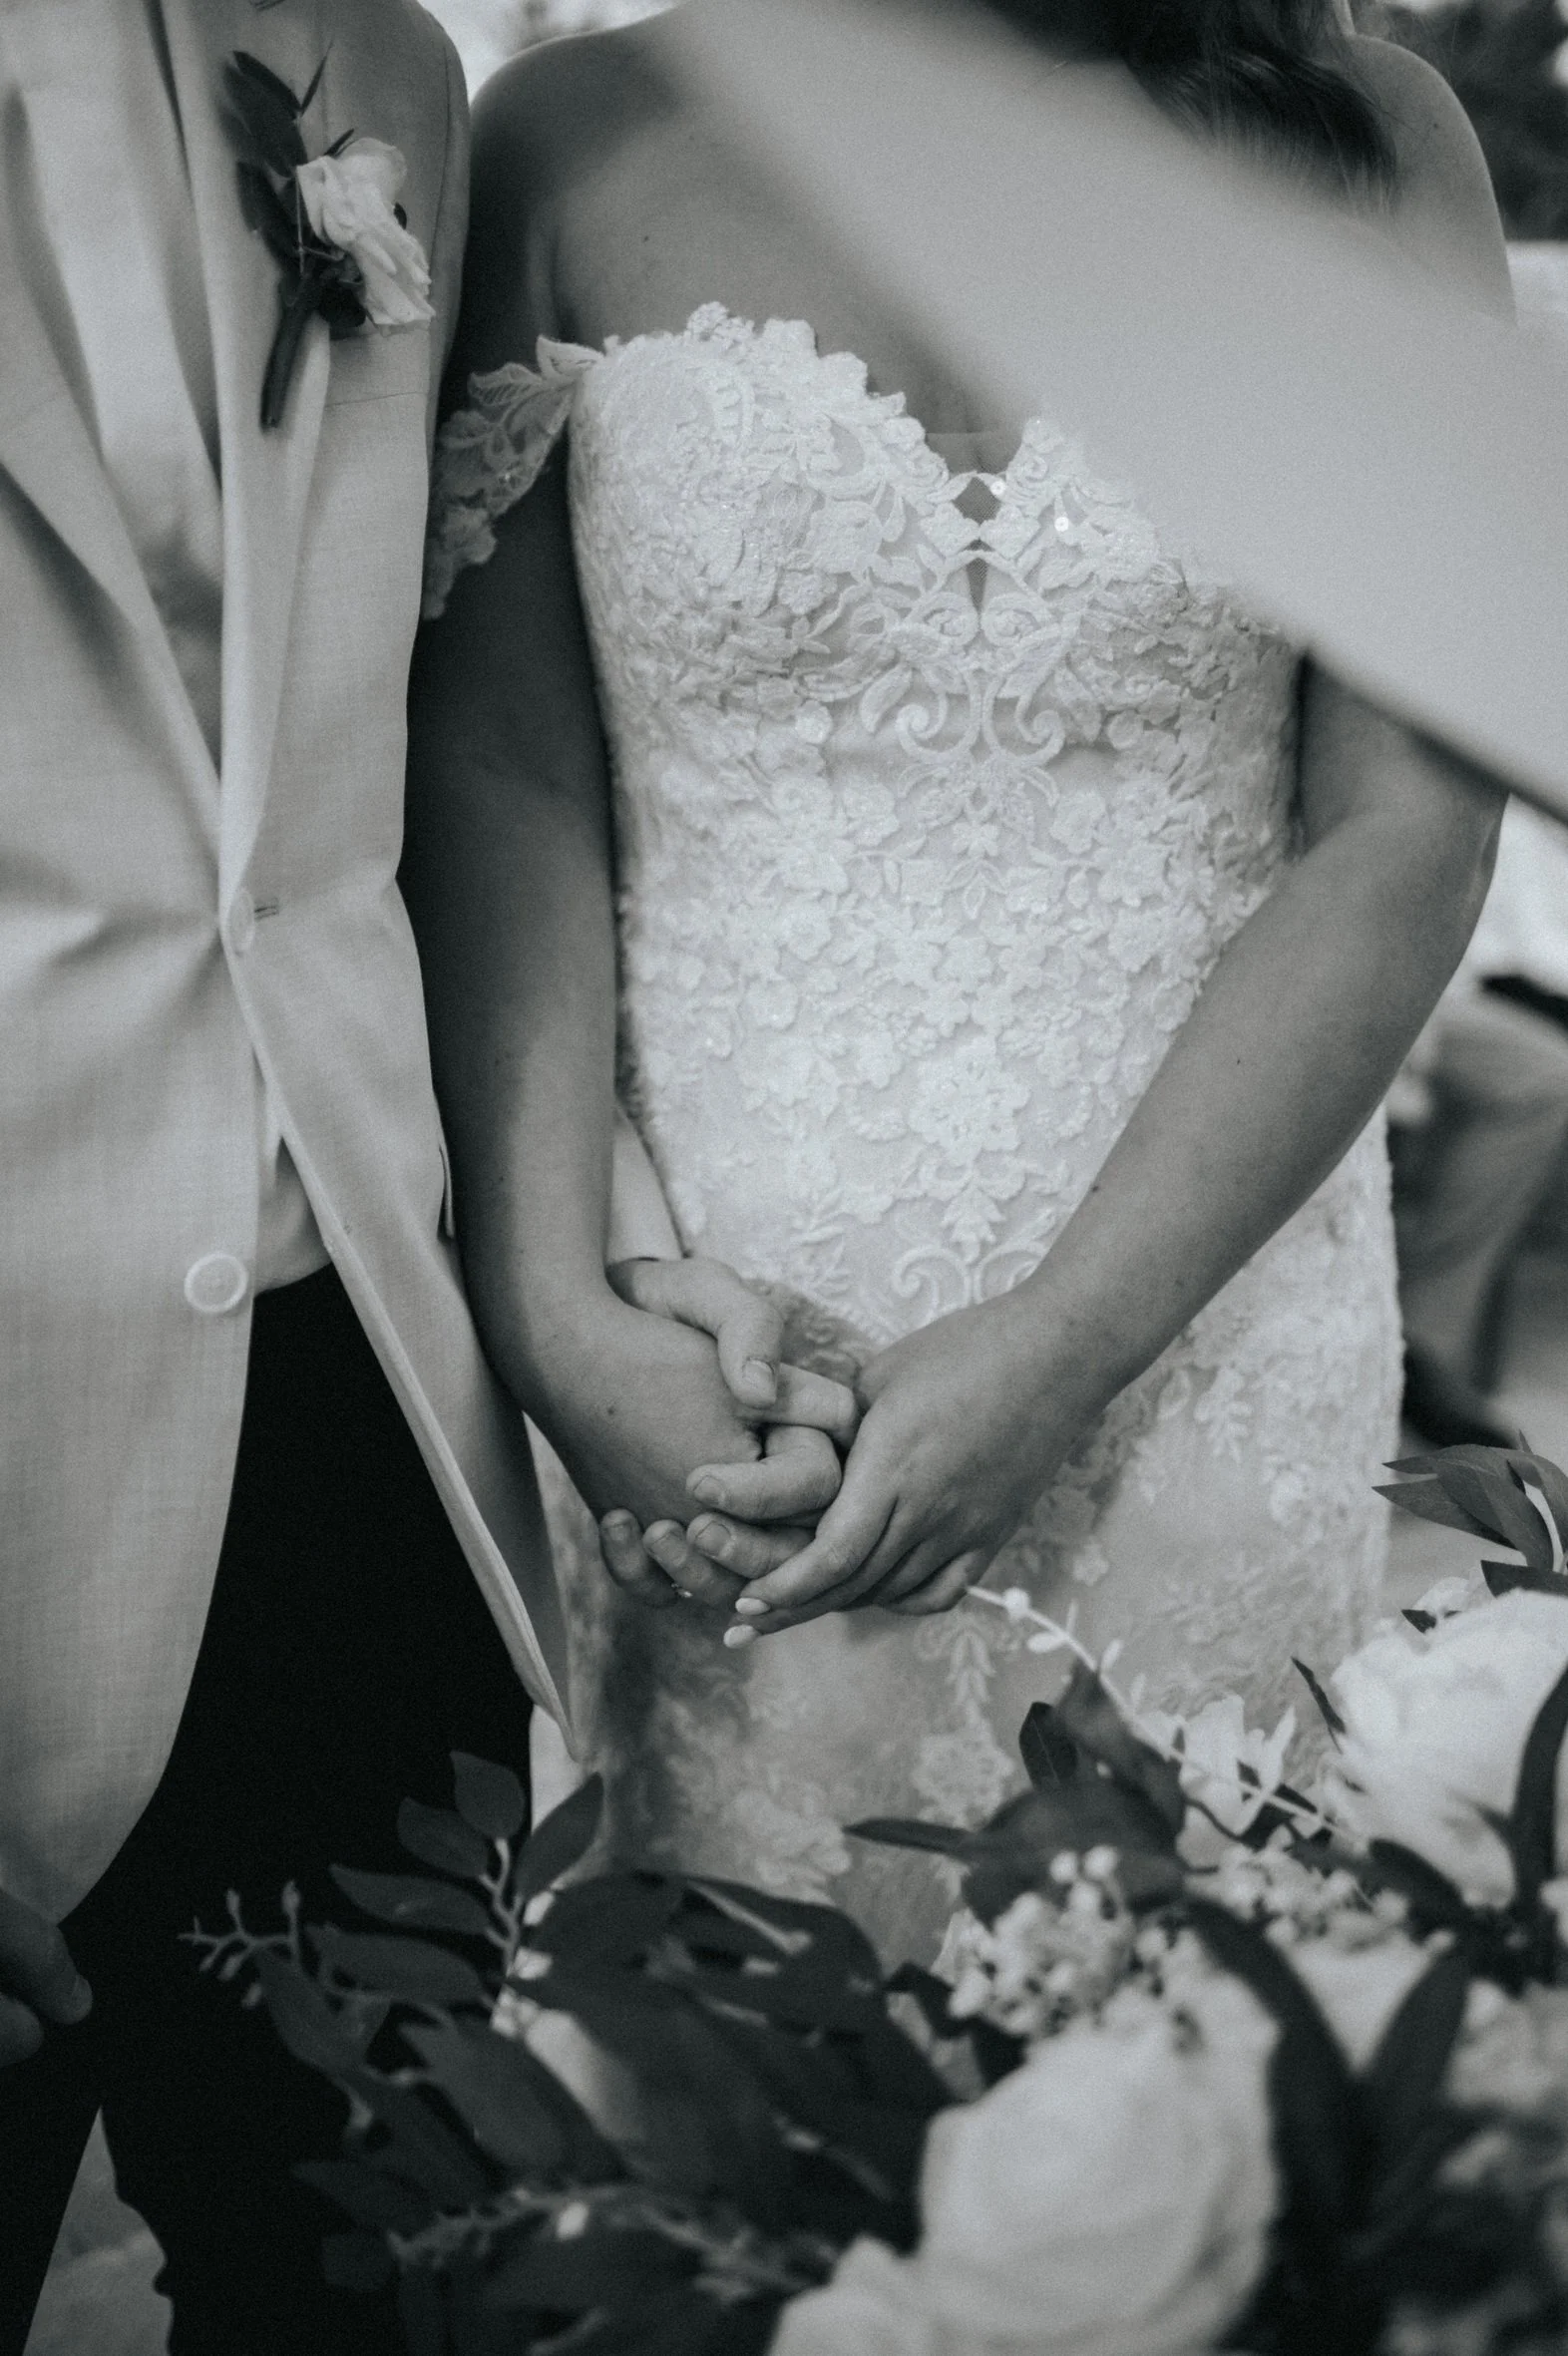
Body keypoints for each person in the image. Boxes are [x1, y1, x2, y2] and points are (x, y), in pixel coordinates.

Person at [407, 0, 1509, 1965]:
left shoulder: (1373, 131)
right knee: (728, 2145)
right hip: (713, 1392)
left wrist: (1070, 1337)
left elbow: (1402, 832)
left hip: (1204, 1341)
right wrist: (563, 1313)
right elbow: (500, 782)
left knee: (1196, 2107)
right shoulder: (569, 138)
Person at [0, 3, 851, 2348]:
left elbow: (364, 816)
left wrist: (615, 1251)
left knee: (395, 2285)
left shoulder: (385, 76)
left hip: (356, 1427)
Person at [1394, 800, 1568, 1442]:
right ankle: (1426, 1345)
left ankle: (1432, 1347)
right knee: (1546, 1078)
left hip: (1517, 997)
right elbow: (1502, 957)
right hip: (1463, 989)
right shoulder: (1512, 814)